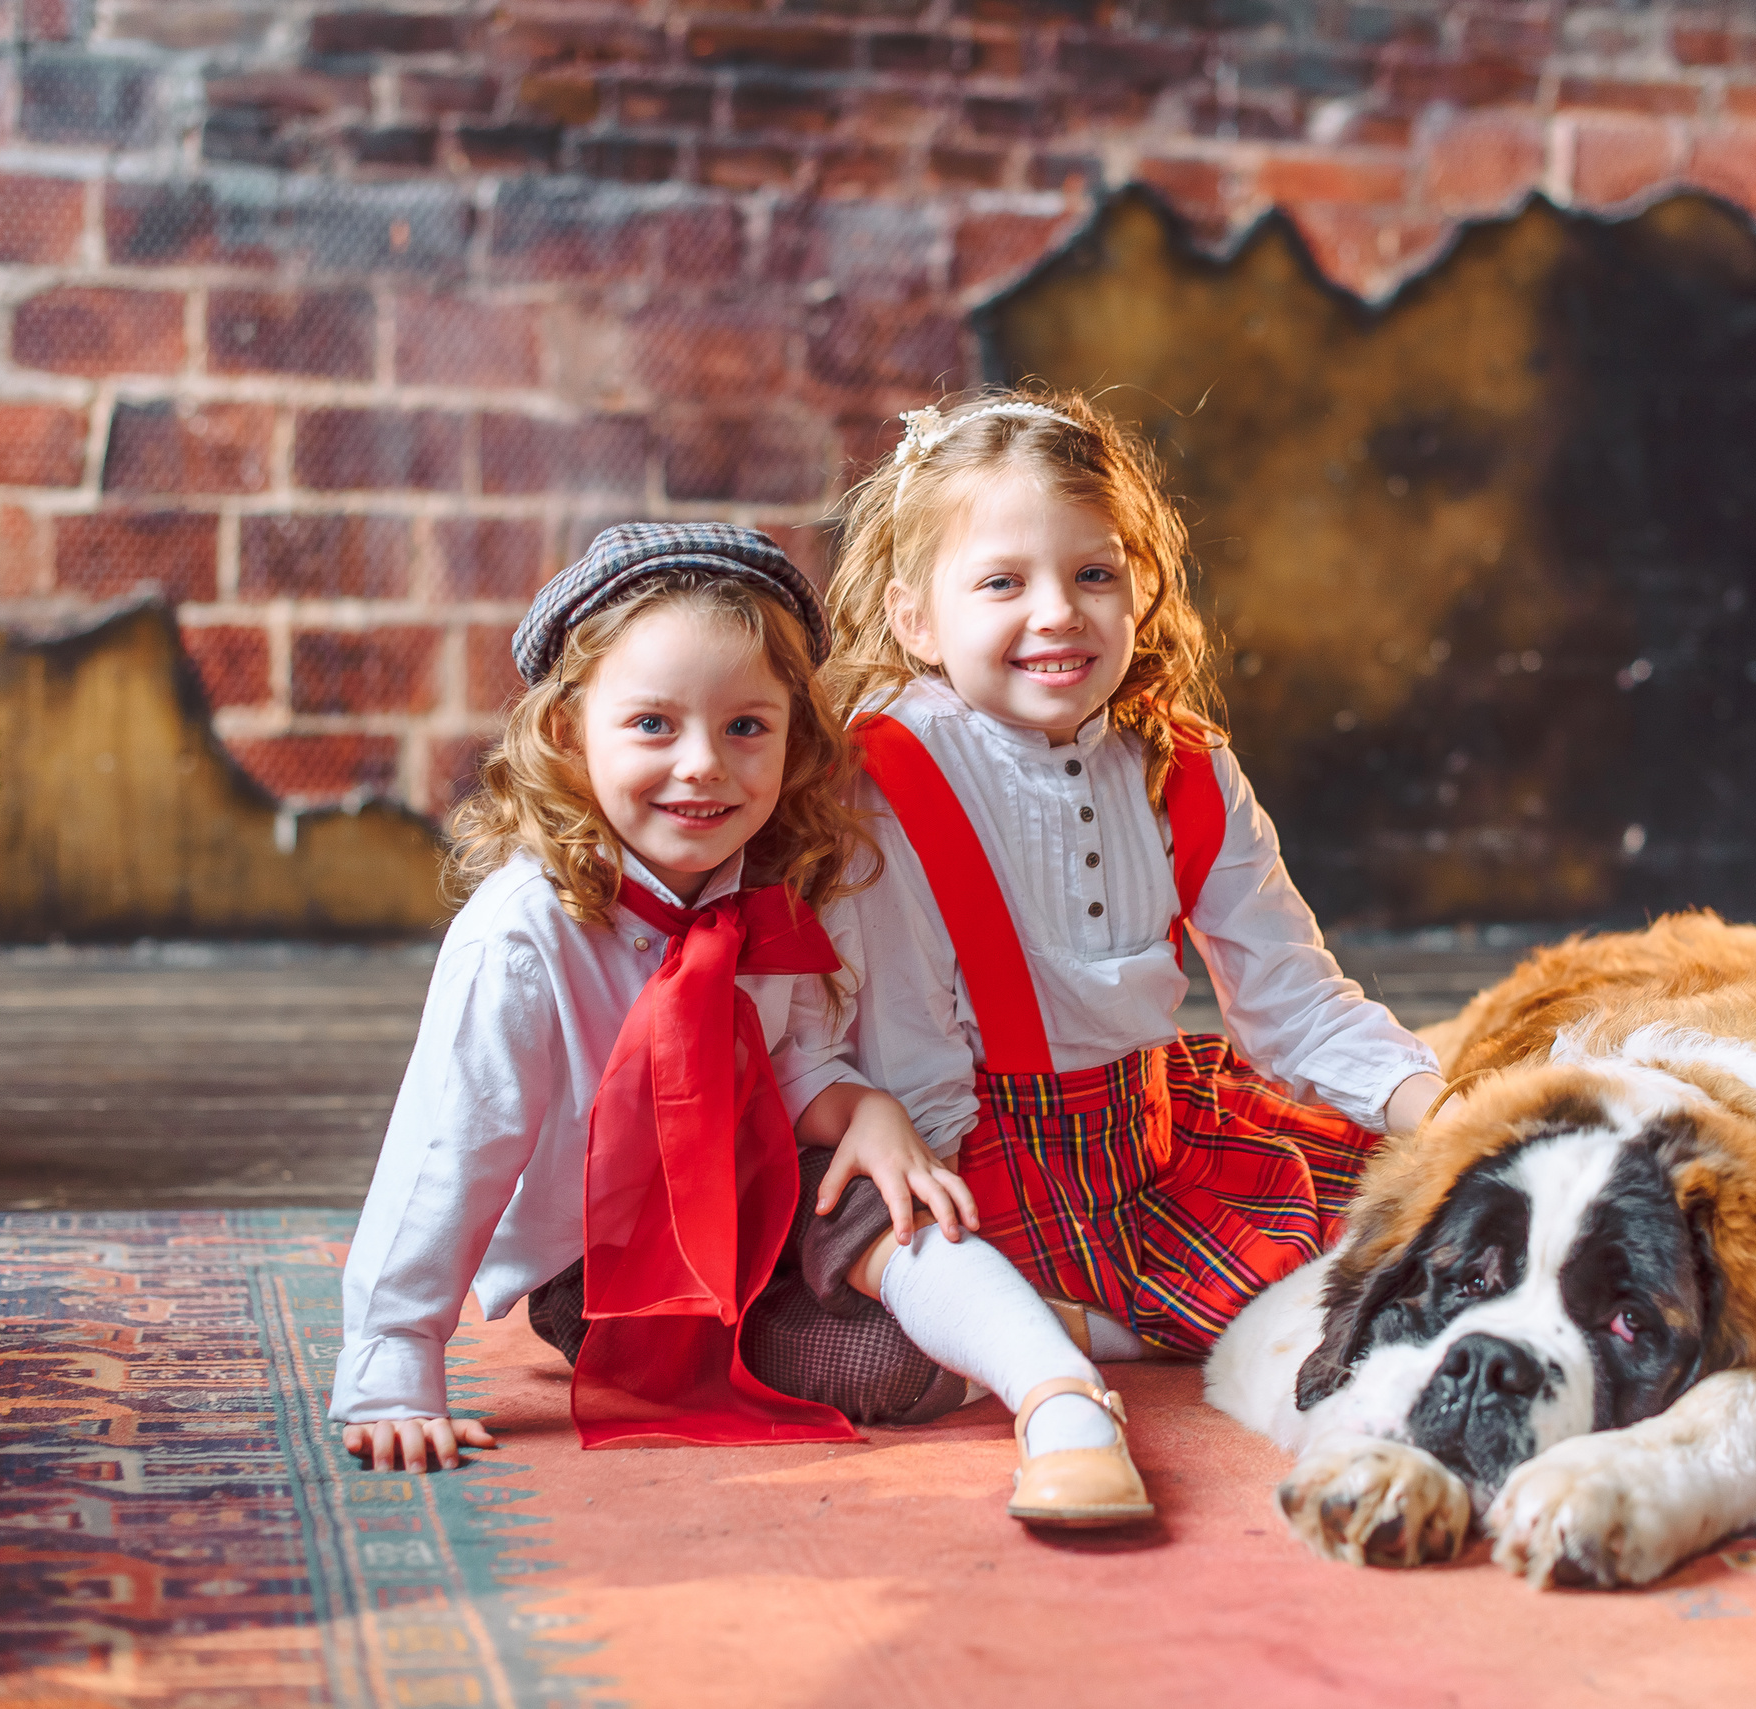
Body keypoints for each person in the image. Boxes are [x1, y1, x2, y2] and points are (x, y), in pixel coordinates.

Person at [331, 524, 1145, 1527]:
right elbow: (447, 1153)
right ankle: (1019, 1328)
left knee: (871, 1198)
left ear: (793, 740)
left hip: (751, 1187)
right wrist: (392, 1362)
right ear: (565, 733)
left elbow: (792, 1053)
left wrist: (861, 1106)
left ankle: (1057, 1392)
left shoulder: (756, 891)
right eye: (652, 726)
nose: (703, 765)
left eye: (745, 727)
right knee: (887, 1373)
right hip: (609, 1265)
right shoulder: (522, 933)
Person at [818, 390, 1450, 1406]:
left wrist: (1447, 1108)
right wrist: (956, 1245)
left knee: (1423, 1230)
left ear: (1140, 588)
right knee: (890, 1307)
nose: (1058, 610)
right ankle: (1060, 1324)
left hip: (1146, 1140)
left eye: (1092, 573)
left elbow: (1291, 996)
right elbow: (903, 1038)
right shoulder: (893, 769)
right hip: (975, 1148)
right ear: (916, 620)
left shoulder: (1181, 761)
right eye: (1000, 582)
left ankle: (1118, 1315)